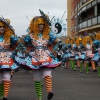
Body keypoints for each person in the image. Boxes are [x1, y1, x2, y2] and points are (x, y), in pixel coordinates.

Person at [21, 10, 61, 100]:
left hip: (46, 56)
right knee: (37, 78)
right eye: (39, 24)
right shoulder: (30, 35)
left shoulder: (49, 34)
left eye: (43, 24)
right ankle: (39, 97)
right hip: (34, 57)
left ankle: (50, 91)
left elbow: (58, 43)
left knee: (47, 74)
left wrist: (54, 50)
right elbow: (21, 44)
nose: (41, 26)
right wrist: (26, 51)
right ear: (35, 25)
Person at [0, 17, 19, 100]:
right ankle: (1, 95)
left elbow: (18, 43)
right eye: (0, 27)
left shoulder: (9, 37)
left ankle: (5, 96)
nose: (2, 28)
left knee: (7, 77)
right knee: (0, 79)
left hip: (6, 58)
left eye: (4, 27)